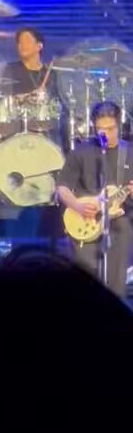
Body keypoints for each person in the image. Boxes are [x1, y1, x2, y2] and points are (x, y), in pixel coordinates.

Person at [56, 100, 133, 297]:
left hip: (119, 224)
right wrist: (77, 206)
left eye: (110, 128)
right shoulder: (81, 151)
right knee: (85, 286)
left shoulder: (130, 152)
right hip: (85, 222)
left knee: (115, 287)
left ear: (119, 125)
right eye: (100, 129)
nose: (105, 134)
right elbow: (62, 187)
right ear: (93, 126)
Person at [2, 26, 59, 99]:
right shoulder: (11, 70)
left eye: (27, 41)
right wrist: (29, 96)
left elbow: (56, 99)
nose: (22, 45)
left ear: (39, 46)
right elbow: (4, 96)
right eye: (19, 42)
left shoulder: (51, 73)